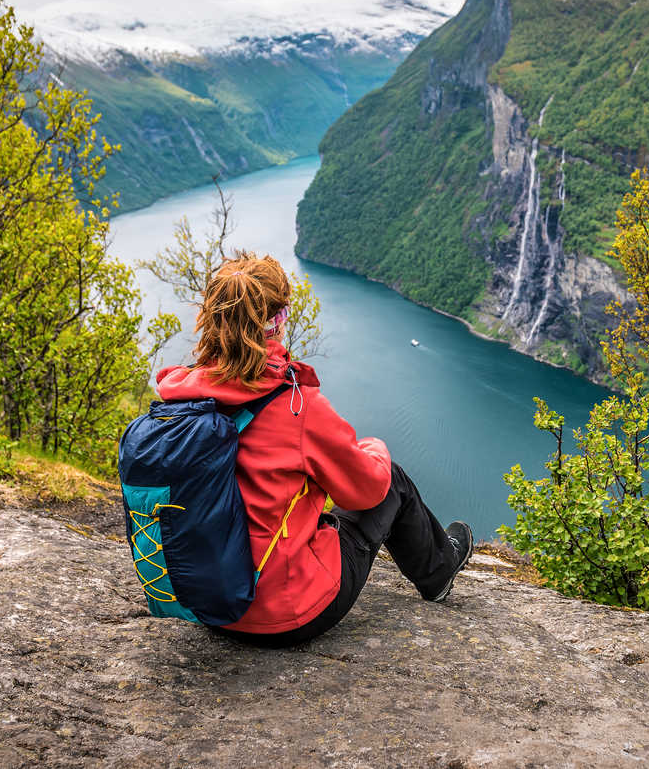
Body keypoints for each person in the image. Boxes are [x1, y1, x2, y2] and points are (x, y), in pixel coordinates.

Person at [154, 251, 473, 647]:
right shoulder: (295, 406)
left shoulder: (180, 398)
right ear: (278, 319)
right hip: (286, 613)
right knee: (391, 479)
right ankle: (439, 570)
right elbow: (367, 489)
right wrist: (374, 448)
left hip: (210, 605)